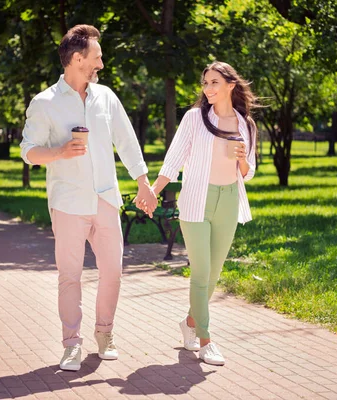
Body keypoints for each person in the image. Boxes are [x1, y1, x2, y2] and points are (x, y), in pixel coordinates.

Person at [19, 24, 157, 372]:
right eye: (97, 57)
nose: (102, 63)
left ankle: (105, 333)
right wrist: (59, 152)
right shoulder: (45, 102)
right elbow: (28, 152)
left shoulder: (106, 97)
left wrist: (143, 182)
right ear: (77, 59)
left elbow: (126, 140)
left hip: (106, 199)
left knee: (113, 272)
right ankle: (71, 344)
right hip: (67, 203)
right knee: (70, 276)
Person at [146, 61, 257, 366]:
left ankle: (190, 323)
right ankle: (205, 340)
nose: (208, 89)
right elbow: (174, 159)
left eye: (214, 83)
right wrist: (154, 191)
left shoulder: (245, 124)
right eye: (205, 83)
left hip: (229, 199)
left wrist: (242, 160)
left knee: (215, 274)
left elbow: (248, 173)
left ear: (230, 85)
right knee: (201, 272)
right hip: (197, 201)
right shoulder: (195, 118)